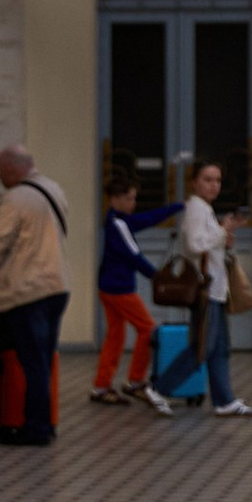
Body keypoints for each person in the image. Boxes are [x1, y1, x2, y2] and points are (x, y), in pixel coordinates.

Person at [0, 143, 72, 447]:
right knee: (43, 361)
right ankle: (44, 423)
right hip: (57, 286)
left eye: (0, 170)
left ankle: (35, 429)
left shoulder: (15, 199)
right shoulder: (54, 189)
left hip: (28, 291)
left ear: (12, 168)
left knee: (32, 363)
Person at [150, 156, 249, 417]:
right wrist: (222, 231)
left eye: (217, 180)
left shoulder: (205, 209)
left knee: (219, 347)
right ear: (194, 182)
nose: (214, 185)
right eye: (207, 180)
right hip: (205, 290)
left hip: (215, 289)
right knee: (202, 348)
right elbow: (195, 244)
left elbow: (209, 244)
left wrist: (225, 238)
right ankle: (160, 388)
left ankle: (224, 399)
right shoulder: (196, 209)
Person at [91, 172, 152, 406]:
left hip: (109, 286)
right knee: (147, 329)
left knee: (116, 335)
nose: (132, 203)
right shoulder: (117, 224)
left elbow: (148, 218)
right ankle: (135, 381)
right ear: (115, 199)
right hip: (118, 288)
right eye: (129, 198)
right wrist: (157, 277)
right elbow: (134, 256)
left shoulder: (118, 221)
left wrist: (175, 208)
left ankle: (101, 386)